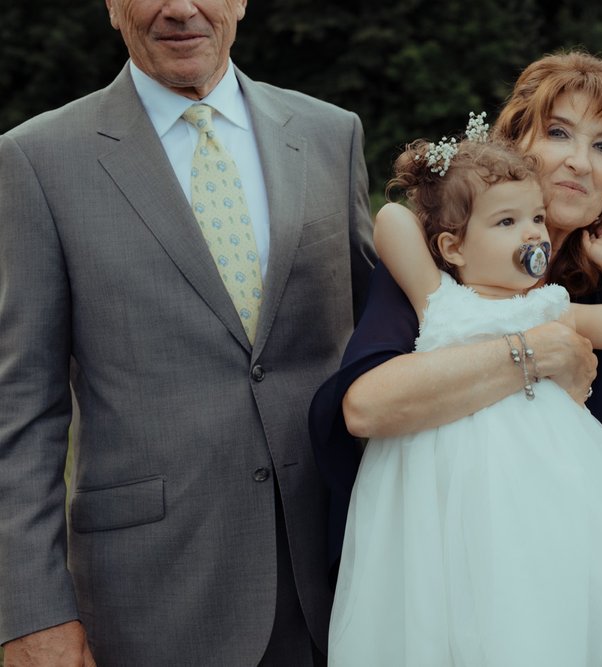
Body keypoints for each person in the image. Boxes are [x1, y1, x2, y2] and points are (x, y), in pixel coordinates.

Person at [310, 51, 602, 665]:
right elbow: (367, 405)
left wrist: (560, 581)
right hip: (451, 574)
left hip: (581, 584)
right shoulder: (437, 273)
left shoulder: (601, 287)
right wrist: (533, 351)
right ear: (516, 144)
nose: (582, 161)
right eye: (559, 134)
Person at [0, 0, 375, 664]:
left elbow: (385, 344)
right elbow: (21, 411)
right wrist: (33, 614)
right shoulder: (37, 161)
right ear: (114, 7)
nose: (180, 9)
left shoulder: (329, 135)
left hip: (340, 580)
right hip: (151, 603)